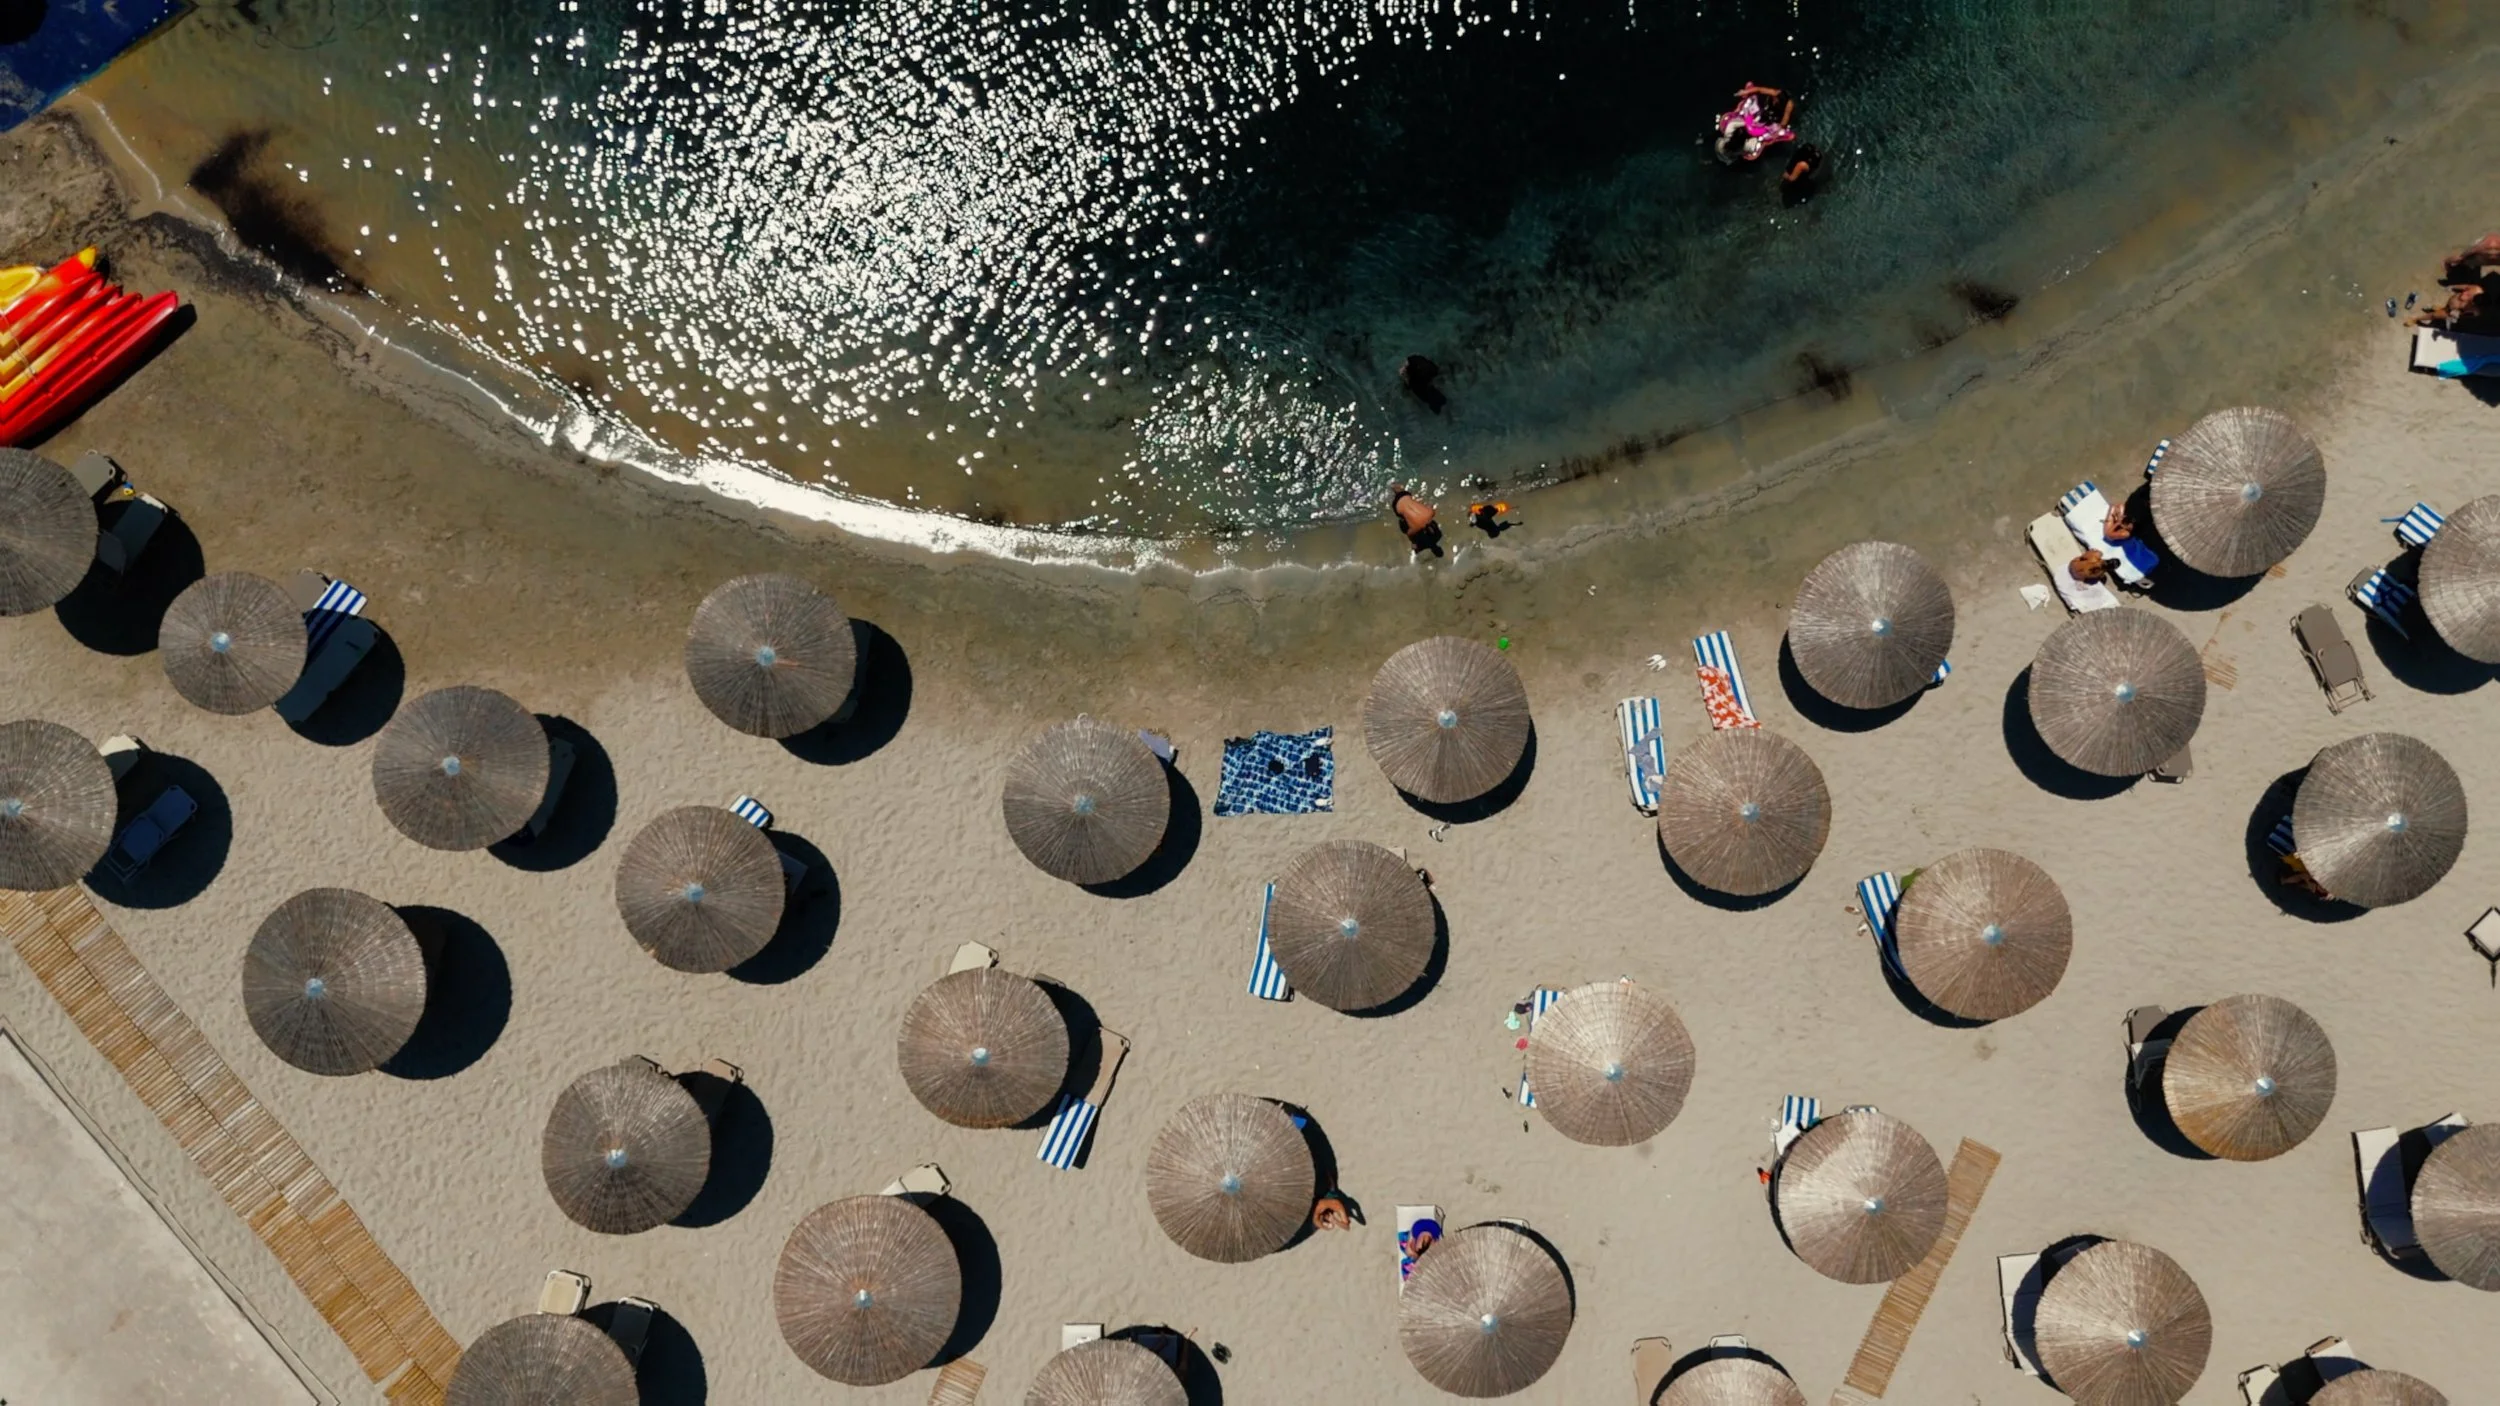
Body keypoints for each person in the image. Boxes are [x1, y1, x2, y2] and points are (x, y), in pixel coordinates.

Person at [1390, 484, 1442, 556]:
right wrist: (1415, 544)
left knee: (1413, 503)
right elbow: (1409, 535)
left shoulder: (1430, 515)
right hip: (1397, 506)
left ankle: (1396, 487)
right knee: (1406, 528)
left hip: (1406, 495)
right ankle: (1394, 490)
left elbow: (1430, 507)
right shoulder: (1416, 529)